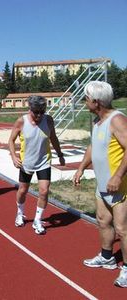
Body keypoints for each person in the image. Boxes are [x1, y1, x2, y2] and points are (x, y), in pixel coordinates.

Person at [72, 81, 127, 288]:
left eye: (86, 98)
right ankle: (107, 257)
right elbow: (92, 147)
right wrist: (81, 168)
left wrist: (118, 176)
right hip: (102, 184)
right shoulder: (97, 121)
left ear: (96, 101)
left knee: (122, 229)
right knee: (103, 221)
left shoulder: (118, 120)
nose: (84, 102)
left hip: (119, 186)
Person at [8, 95, 65, 235]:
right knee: (22, 190)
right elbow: (11, 140)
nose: (39, 115)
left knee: (44, 191)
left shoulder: (48, 120)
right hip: (26, 162)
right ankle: (20, 213)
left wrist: (60, 154)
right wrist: (14, 157)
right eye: (36, 112)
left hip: (44, 161)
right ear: (30, 109)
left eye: (42, 112)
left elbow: (53, 138)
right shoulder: (21, 122)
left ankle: (37, 220)